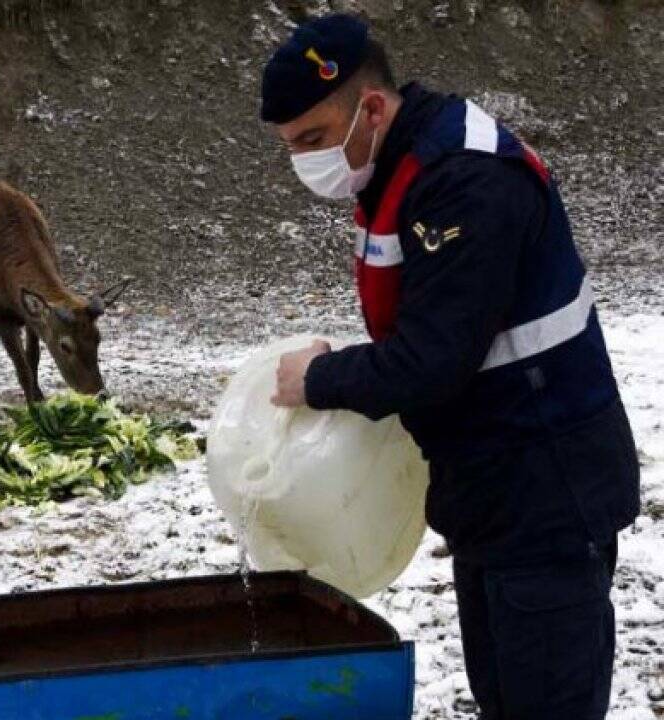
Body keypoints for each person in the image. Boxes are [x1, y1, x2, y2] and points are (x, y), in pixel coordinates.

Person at [257, 13, 641, 720]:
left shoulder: (464, 179)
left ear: (371, 107)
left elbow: (434, 361)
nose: (305, 161)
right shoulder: (399, 166)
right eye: (290, 147)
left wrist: (319, 379)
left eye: (313, 139)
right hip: (490, 491)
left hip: (548, 489)